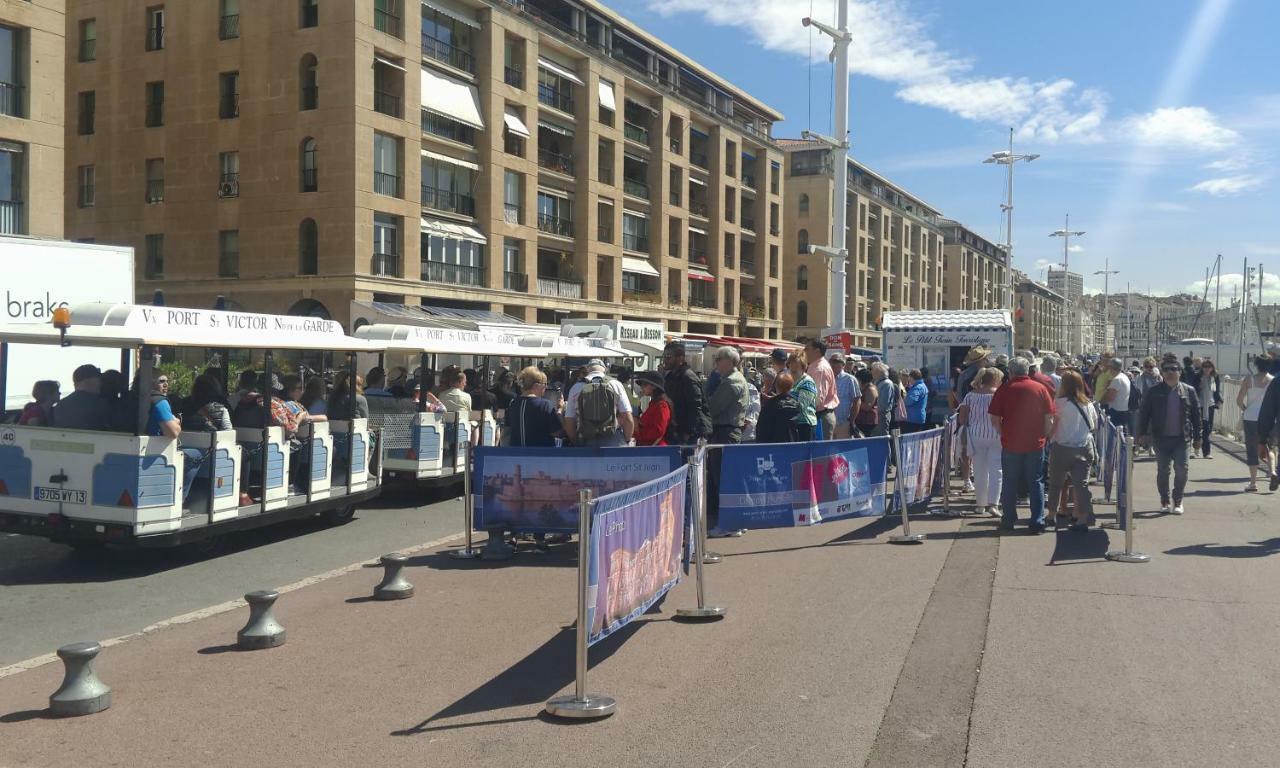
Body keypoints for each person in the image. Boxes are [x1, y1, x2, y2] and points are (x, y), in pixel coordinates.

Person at [988, 357, 1056, 533]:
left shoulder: (1004, 389)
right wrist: (1045, 434)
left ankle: (1009, 519)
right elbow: (1049, 416)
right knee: (1036, 482)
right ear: (1028, 370)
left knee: (1010, 482)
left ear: (1010, 372)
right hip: (1035, 442)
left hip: (1011, 443)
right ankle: (1037, 521)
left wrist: (1003, 433)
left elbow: (994, 418)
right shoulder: (1040, 388)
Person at [1135, 355, 1202, 515]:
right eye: (1166, 369)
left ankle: (1177, 500)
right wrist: (1142, 434)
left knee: (1182, 470)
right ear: (1162, 373)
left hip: (1182, 439)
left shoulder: (1189, 391)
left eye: (1174, 369)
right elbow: (1144, 414)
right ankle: (1164, 500)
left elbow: (1196, 415)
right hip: (1160, 438)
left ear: (1180, 372)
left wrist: (1198, 438)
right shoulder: (1154, 392)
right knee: (1163, 471)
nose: (1170, 372)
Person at [1047, 370, 1098, 532]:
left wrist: (1049, 436)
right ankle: (1082, 518)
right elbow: (1094, 425)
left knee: (1055, 484)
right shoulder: (1088, 404)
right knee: (1081, 485)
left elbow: (1053, 425)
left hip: (1062, 447)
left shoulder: (1059, 402)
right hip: (1083, 447)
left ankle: (1051, 515)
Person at [959, 367, 1003, 517]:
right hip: (997, 434)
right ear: (996, 379)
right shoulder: (999, 394)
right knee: (996, 469)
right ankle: (994, 504)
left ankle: (980, 504)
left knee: (979, 470)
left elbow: (962, 418)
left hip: (976, 435)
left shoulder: (970, 396)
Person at [564, 359, 634, 447]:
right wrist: (626, 439)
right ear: (604, 370)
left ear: (588, 370)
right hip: (612, 439)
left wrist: (576, 442)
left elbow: (569, 420)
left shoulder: (576, 388)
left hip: (585, 439)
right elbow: (627, 417)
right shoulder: (616, 385)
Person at [662, 342, 711, 445]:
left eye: (668, 357)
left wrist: (688, 433)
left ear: (680, 358)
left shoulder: (688, 377)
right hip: (678, 430)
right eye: (664, 357)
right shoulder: (670, 377)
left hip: (693, 433)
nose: (665, 360)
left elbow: (695, 407)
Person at [1238, 356, 1275, 492]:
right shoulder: (1274, 381)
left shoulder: (1249, 379)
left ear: (1256, 365)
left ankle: (1253, 483)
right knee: (1270, 447)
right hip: (1268, 419)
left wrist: (1246, 409)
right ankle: (1272, 473)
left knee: (1252, 450)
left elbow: (1239, 400)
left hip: (1251, 418)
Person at [503, 367, 562, 447]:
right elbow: (557, 433)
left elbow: (507, 430)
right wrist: (560, 410)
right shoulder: (545, 405)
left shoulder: (513, 404)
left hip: (516, 454)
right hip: (540, 454)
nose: (546, 387)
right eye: (544, 384)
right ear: (536, 386)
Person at [706, 347, 749, 444]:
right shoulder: (733, 378)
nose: (715, 362)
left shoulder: (731, 381)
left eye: (718, 359)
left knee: (721, 459)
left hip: (725, 433)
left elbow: (713, 408)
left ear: (729, 361)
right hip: (726, 432)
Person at [51, 364, 110, 431]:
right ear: (87, 382)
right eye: (99, 380)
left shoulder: (61, 405)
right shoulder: (100, 403)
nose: (101, 384)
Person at [805, 339, 839, 440]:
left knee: (822, 454)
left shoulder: (820, 369)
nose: (804, 351)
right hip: (818, 416)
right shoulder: (815, 366)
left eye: (807, 348)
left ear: (817, 351)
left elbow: (818, 399)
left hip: (820, 417)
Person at [755, 373, 802, 443]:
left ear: (776, 386)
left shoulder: (769, 405)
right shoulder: (797, 405)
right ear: (791, 386)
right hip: (791, 447)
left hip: (772, 447)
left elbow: (761, 429)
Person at [633, 371, 672, 446]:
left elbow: (658, 431)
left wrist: (637, 433)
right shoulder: (654, 404)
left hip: (657, 451)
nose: (642, 387)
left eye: (644, 385)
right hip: (650, 449)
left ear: (654, 386)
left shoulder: (662, 406)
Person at [787, 353, 818, 441]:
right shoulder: (789, 380)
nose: (792, 367)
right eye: (790, 363)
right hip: (792, 424)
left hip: (805, 425)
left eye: (796, 364)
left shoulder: (807, 382)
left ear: (803, 366)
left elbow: (800, 406)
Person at [1195, 359, 1221, 458]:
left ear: (1212, 368)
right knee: (1201, 427)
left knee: (1208, 428)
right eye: (1205, 366)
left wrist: (1219, 400)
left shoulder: (1215, 377)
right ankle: (1202, 450)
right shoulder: (1198, 376)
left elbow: (1217, 390)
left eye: (1209, 366)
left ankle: (1203, 448)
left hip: (1210, 404)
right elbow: (1193, 390)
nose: (1207, 368)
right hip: (1200, 404)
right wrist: (1200, 386)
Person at [831, 353, 859, 439]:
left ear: (843, 364)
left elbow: (857, 400)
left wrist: (852, 420)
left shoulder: (850, 379)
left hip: (843, 423)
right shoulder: (827, 378)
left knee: (843, 451)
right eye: (831, 361)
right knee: (828, 451)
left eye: (836, 361)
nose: (833, 364)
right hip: (828, 423)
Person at [1100, 358, 1131, 431]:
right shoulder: (1124, 377)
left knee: (1115, 437)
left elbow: (1110, 397)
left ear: (1111, 368)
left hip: (1116, 412)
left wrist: (1100, 401)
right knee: (1121, 435)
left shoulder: (1117, 380)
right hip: (1124, 410)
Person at [853, 368, 880, 437]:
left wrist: (855, 400)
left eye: (857, 379)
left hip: (868, 422)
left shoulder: (870, 389)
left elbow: (867, 407)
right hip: (861, 421)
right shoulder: (863, 388)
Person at [872, 362, 897, 433]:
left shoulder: (887, 384)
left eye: (873, 370)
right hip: (878, 416)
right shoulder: (877, 382)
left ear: (878, 372)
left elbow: (883, 404)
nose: (872, 372)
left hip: (882, 416)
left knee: (882, 437)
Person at [741, 375, 761, 443]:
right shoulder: (725, 387)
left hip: (749, 435)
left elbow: (756, 407)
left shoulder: (751, 388)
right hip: (731, 435)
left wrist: (747, 421)